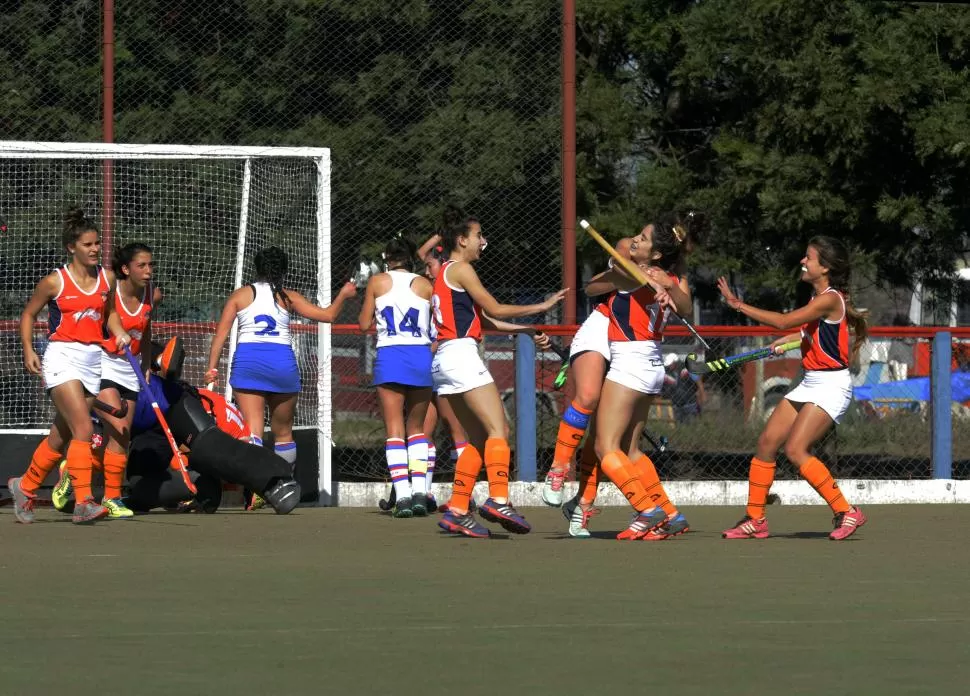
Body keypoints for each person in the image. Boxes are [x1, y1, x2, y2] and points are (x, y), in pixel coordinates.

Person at [718, 236, 869, 541]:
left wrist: (738, 305)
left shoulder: (829, 299)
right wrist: (788, 342)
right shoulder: (818, 302)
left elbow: (783, 321)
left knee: (796, 450)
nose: (803, 261)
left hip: (831, 385)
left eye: (809, 258)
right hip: (811, 380)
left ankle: (846, 511)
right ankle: (755, 519)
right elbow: (812, 336)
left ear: (824, 268)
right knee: (766, 443)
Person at [433, 205, 565, 538]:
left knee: (478, 440)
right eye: (478, 235)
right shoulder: (461, 269)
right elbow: (493, 307)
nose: (483, 241)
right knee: (499, 429)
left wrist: (526, 329)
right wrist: (543, 306)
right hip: (462, 355)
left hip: (445, 361)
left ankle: (458, 510)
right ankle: (499, 499)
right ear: (462, 240)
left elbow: (487, 320)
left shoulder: (446, 272)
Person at [52, 340, 300, 515]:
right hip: (142, 431)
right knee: (136, 480)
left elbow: (165, 352)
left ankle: (275, 482)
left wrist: (161, 360)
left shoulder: (137, 309)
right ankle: (75, 479)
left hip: (169, 402)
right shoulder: (85, 369)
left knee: (211, 446)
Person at [8, 207, 131, 525]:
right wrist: (27, 349)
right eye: (88, 244)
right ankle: (84, 502)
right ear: (72, 247)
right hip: (61, 356)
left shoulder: (107, 279)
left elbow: (110, 313)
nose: (95, 249)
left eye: (97, 244)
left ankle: (24, 486)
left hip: (93, 360)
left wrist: (119, 332)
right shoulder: (54, 282)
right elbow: (28, 315)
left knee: (61, 436)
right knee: (84, 428)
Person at [206, 246, 356, 495]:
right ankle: (283, 487)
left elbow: (221, 334)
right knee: (284, 433)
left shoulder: (241, 295)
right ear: (284, 271)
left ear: (257, 269)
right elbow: (328, 316)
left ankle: (254, 490)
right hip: (282, 366)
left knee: (253, 429)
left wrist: (211, 368)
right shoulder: (289, 297)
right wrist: (344, 293)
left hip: (249, 364)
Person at [582, 218, 693, 540]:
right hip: (651, 365)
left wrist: (660, 284)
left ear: (656, 253)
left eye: (642, 239)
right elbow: (595, 286)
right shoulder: (646, 273)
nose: (633, 240)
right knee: (630, 449)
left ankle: (646, 509)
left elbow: (591, 287)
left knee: (606, 446)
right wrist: (659, 281)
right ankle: (670, 514)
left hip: (630, 361)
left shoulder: (652, 276)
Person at [540, 238, 633, 509]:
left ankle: (583, 502)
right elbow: (592, 286)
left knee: (606, 437)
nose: (637, 242)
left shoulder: (663, 272)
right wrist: (631, 278)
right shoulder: (626, 260)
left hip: (632, 343)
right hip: (601, 331)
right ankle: (558, 469)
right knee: (588, 396)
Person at [358, 237, 434, 518]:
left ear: (387, 257)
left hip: (390, 356)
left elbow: (364, 324)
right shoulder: (427, 285)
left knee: (394, 430)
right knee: (417, 430)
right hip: (420, 357)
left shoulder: (378, 282)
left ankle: (401, 497)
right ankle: (418, 493)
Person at [89, 242, 156, 519]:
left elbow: (147, 331)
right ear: (126, 269)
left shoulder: (152, 294)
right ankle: (112, 496)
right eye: (142, 265)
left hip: (132, 369)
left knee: (121, 436)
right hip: (104, 363)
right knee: (117, 425)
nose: (149, 271)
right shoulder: (109, 292)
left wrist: (148, 363)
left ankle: (103, 491)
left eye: (151, 265)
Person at [418, 240, 468, 513]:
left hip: (450, 365)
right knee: (424, 430)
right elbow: (422, 255)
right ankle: (423, 493)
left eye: (430, 266)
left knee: (456, 430)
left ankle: (464, 494)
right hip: (431, 368)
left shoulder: (455, 284)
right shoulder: (427, 289)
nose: (426, 270)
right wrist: (440, 234)